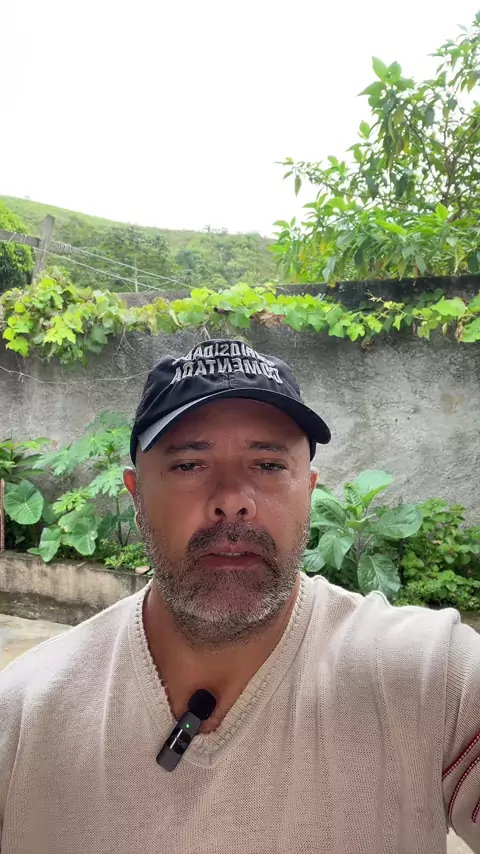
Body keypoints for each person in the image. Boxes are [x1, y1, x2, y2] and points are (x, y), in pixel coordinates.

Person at [0, 337, 479, 854]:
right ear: (137, 496)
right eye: (189, 465)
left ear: (309, 489)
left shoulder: (433, 679)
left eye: (268, 465)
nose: (232, 500)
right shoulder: (23, 717)